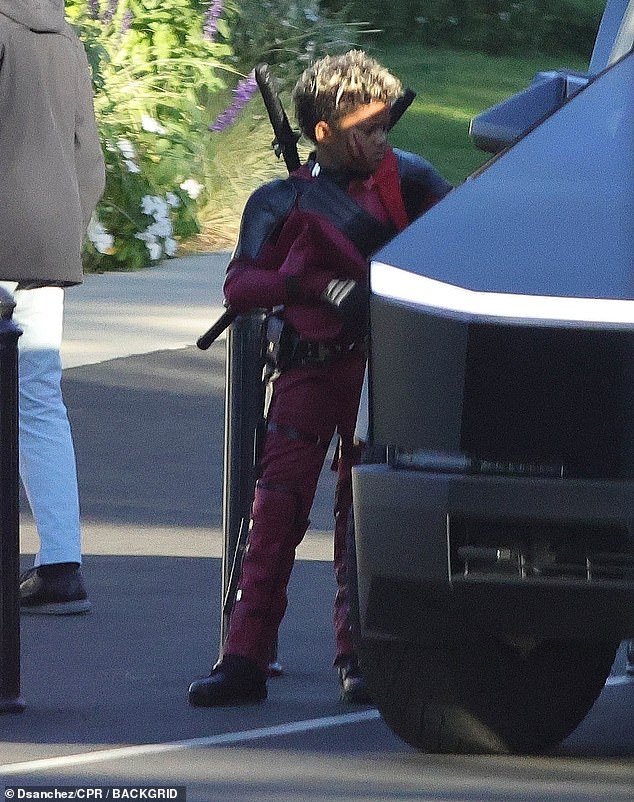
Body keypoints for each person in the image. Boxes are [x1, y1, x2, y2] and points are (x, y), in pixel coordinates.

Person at [188, 50, 451, 706]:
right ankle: (245, 655)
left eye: (387, 124)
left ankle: (359, 652)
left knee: (360, 510)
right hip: (309, 361)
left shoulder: (414, 184)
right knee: (275, 507)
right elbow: (241, 284)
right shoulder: (280, 200)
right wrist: (315, 284)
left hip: (385, 366)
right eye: (370, 125)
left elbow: (453, 253)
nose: (385, 138)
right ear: (326, 131)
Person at [0, 0, 106, 613]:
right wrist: (63, 229)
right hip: (47, 249)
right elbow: (88, 163)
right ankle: (61, 561)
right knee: (39, 400)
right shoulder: (67, 42)